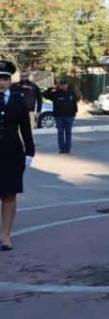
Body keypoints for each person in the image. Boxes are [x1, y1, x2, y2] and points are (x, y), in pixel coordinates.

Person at [0, 60, 35, 251]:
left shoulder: (17, 99)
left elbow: (26, 128)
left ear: (9, 79)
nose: (1, 82)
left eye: (5, 78)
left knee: (9, 196)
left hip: (12, 154)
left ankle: (5, 235)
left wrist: (29, 152)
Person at [42, 78, 79, 154]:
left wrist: (74, 113)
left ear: (67, 85)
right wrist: (52, 88)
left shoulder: (71, 93)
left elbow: (76, 101)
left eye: (65, 84)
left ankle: (68, 148)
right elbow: (44, 94)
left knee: (68, 133)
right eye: (62, 85)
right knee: (60, 132)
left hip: (70, 116)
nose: (63, 86)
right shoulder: (56, 93)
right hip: (59, 116)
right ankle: (62, 148)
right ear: (60, 86)